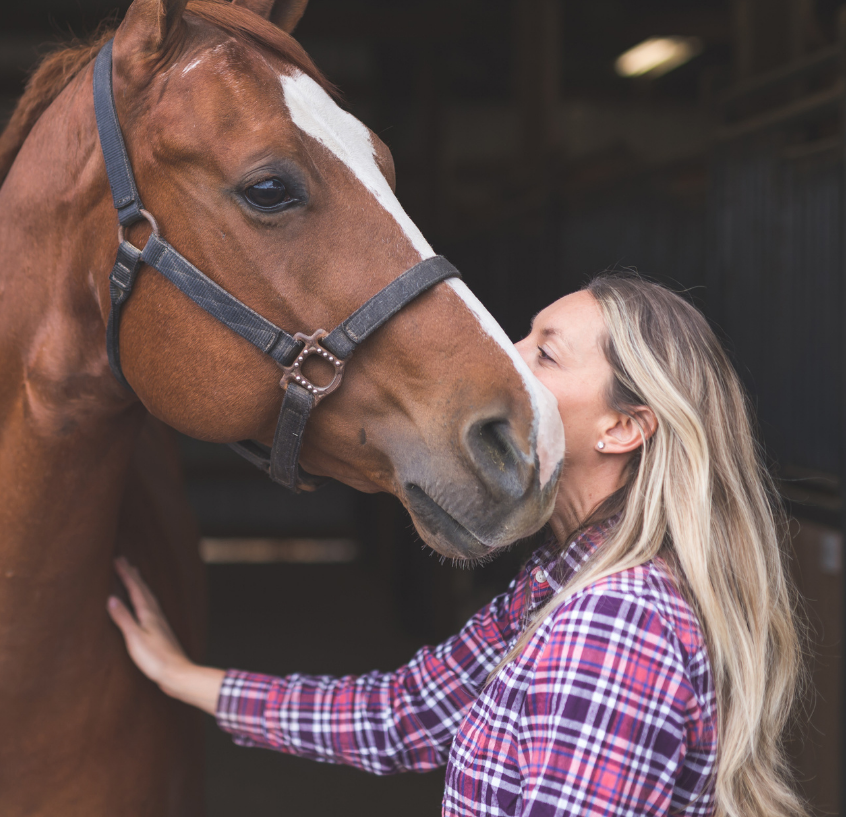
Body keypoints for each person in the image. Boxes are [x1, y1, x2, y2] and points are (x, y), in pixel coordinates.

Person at [108, 273, 807, 817]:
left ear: (623, 429)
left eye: (545, 351)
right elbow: (404, 715)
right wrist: (185, 678)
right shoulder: (563, 579)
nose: (506, 353)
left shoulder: (614, 622)